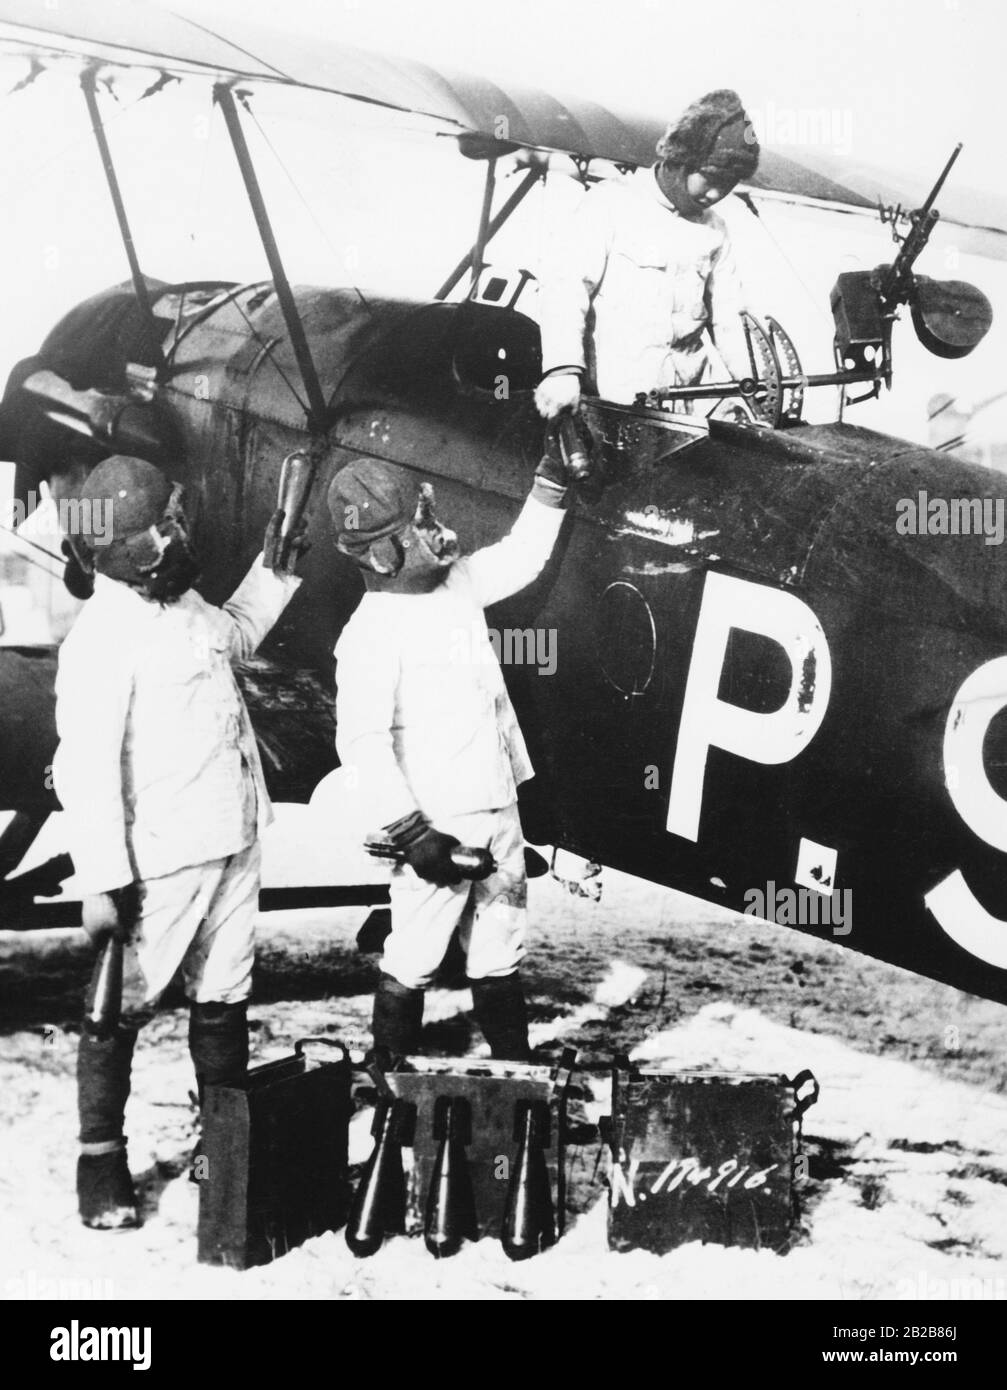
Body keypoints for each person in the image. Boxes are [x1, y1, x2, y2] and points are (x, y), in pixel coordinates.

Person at [54, 454, 304, 1230]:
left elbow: (234, 637)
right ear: (127, 551)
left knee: (225, 998)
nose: (178, 533)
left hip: (232, 834)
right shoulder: (103, 636)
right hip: (159, 858)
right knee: (118, 1010)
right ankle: (99, 1163)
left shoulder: (183, 603)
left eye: (175, 516)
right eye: (164, 526)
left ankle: (220, 1145)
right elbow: (83, 766)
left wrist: (274, 568)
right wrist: (103, 874)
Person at [329, 449, 576, 1065]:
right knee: (414, 950)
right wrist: (413, 835)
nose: (440, 533)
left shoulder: (458, 581)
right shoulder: (369, 633)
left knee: (500, 947)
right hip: (437, 822)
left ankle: (514, 1072)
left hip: (497, 806)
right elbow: (360, 743)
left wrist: (550, 482)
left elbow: (522, 554)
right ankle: (385, 1074)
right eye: (419, 526)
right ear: (380, 554)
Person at [535, 88, 760, 417]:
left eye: (729, 184)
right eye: (711, 178)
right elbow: (564, 288)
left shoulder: (714, 231)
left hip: (682, 410)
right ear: (681, 160)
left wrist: (752, 387)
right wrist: (563, 371)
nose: (716, 193)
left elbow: (729, 318)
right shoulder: (610, 204)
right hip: (608, 401)